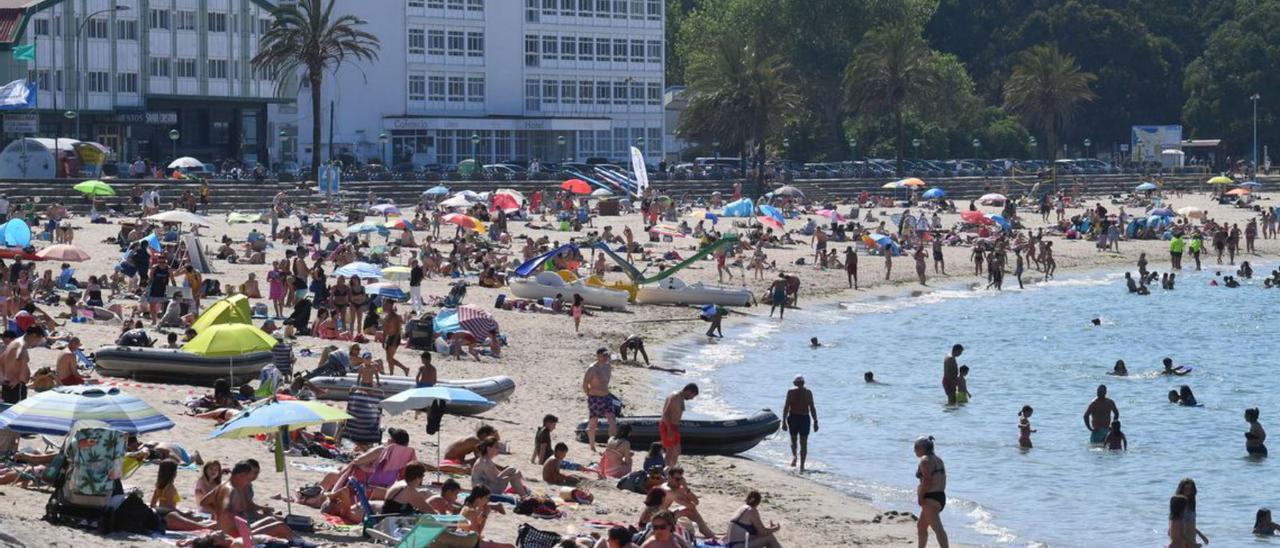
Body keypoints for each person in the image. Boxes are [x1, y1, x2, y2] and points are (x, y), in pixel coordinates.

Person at [151, 460, 215, 531]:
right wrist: (184, 514)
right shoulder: (170, 488)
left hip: (160, 513)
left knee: (195, 517)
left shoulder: (158, 486)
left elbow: (152, 505)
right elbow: (170, 508)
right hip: (170, 514)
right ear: (173, 473)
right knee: (199, 518)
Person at [914, 436, 949, 548]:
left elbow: (927, 481)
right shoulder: (938, 460)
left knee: (938, 529)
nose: (914, 450)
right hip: (940, 496)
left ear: (922, 448)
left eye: (915, 447)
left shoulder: (925, 460)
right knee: (921, 526)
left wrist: (921, 496)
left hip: (930, 497)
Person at [782, 374, 818, 472]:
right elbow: (812, 408)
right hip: (804, 419)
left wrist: (784, 421)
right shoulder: (808, 392)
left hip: (793, 417)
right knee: (804, 443)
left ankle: (794, 457)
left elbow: (786, 407)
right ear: (803, 383)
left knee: (793, 440)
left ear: (794, 383)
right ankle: (802, 466)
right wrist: (815, 421)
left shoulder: (791, 392)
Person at [583, 348, 616, 452]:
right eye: (604, 355)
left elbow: (606, 381)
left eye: (607, 355)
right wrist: (590, 394)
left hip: (606, 396)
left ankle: (610, 446)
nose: (606, 357)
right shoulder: (592, 368)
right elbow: (585, 384)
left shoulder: (608, 366)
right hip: (595, 397)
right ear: (598, 356)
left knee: (612, 421)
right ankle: (592, 446)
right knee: (593, 422)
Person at [0, 325, 45, 403]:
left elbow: (1, 360)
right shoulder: (21, 346)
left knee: (8, 411)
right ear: (34, 335)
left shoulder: (15, 342)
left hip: (8, 384)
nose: (37, 343)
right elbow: (20, 359)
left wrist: (3, 378)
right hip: (16, 387)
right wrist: (17, 379)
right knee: (16, 411)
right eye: (38, 340)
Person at [662, 383, 698, 469]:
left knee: (672, 451)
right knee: (674, 451)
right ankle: (669, 471)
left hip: (672, 426)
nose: (692, 398)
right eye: (693, 396)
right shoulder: (676, 397)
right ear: (689, 391)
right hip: (669, 426)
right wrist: (670, 430)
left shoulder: (677, 396)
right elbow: (666, 414)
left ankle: (668, 470)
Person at [1174, 478, 1210, 547]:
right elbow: (1176, 526)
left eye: (1190, 489)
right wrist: (1190, 543)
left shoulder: (1191, 503)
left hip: (1191, 540)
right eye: (1185, 489)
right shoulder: (1178, 503)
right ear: (1181, 489)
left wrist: (1201, 535)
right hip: (1182, 542)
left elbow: (1189, 523)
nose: (1188, 491)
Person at [381, 301, 407, 376]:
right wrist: (383, 340)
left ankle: (404, 368)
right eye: (384, 305)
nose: (384, 306)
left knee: (390, 358)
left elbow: (398, 330)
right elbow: (385, 329)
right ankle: (391, 373)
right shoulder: (386, 316)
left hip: (395, 337)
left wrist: (395, 341)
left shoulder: (396, 316)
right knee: (389, 359)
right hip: (388, 337)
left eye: (386, 305)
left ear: (391, 306)